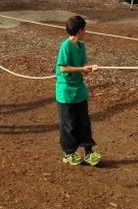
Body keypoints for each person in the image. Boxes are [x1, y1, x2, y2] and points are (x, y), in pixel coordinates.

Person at [55, 15, 102, 166]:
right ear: (80, 30)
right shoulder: (65, 46)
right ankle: (69, 153)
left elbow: (84, 68)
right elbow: (63, 67)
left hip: (79, 91)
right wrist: (82, 69)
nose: (85, 32)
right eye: (84, 29)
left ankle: (88, 151)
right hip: (66, 92)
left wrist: (90, 68)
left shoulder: (81, 46)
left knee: (84, 122)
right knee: (69, 124)